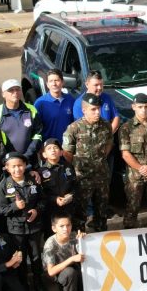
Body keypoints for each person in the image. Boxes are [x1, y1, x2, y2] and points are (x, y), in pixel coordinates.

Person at [0, 152, 48, 291]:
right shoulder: (3, 186)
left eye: (20, 165)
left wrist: (37, 210)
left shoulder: (33, 181)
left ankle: (39, 283)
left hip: (35, 227)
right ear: (7, 168)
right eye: (13, 166)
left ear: (25, 165)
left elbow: (43, 200)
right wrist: (15, 206)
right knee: (21, 257)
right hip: (16, 229)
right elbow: (2, 210)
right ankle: (24, 285)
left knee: (36, 256)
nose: (17, 169)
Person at [62, 93, 114, 231]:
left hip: (101, 174)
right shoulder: (74, 128)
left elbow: (109, 144)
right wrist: (78, 165)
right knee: (81, 210)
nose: (97, 112)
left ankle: (101, 233)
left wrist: (100, 159)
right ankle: (80, 240)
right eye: (93, 109)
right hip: (82, 176)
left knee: (102, 209)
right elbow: (67, 152)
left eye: (99, 109)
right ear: (84, 110)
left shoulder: (106, 125)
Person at [118, 94, 147, 229]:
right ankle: (129, 236)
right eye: (140, 107)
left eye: (146, 107)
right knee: (132, 207)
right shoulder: (126, 128)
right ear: (133, 107)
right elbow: (125, 154)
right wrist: (141, 168)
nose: (143, 110)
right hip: (134, 175)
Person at [0, 79, 43, 165]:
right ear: (3, 94)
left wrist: (27, 155)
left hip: (30, 160)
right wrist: (10, 158)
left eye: (17, 89)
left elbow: (38, 134)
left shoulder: (32, 109)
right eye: (11, 90)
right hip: (8, 163)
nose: (15, 92)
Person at [42, 213, 85, 291]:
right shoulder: (50, 244)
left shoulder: (74, 235)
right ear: (54, 228)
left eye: (68, 225)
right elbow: (51, 272)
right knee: (70, 272)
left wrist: (84, 239)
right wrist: (71, 259)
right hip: (60, 273)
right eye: (61, 226)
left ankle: (73, 285)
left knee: (87, 287)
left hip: (75, 266)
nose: (66, 229)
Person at [36, 138, 78, 230]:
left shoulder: (68, 167)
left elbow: (76, 186)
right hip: (51, 210)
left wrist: (71, 195)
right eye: (49, 148)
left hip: (69, 208)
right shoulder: (40, 172)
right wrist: (54, 199)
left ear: (61, 152)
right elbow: (40, 193)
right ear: (44, 154)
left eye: (55, 147)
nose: (53, 150)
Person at [33, 69, 76, 143]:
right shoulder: (40, 103)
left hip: (68, 147)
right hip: (51, 149)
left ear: (62, 82)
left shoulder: (70, 99)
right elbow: (35, 129)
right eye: (51, 81)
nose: (54, 84)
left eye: (56, 80)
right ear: (47, 84)